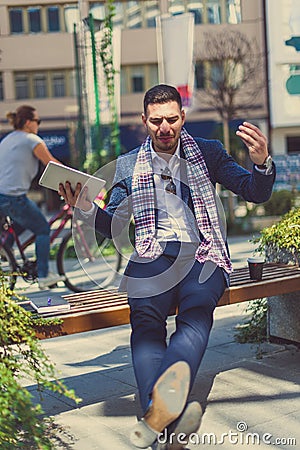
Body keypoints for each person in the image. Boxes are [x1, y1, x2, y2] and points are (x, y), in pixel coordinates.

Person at [59, 84, 275, 450]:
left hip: (202, 253)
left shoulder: (208, 153)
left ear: (182, 118)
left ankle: (156, 413)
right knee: (145, 321)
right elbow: (113, 224)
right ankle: (162, 411)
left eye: (172, 119)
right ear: (145, 121)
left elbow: (254, 191)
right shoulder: (128, 165)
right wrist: (84, 208)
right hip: (151, 252)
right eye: (156, 120)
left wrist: (261, 163)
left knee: (196, 311)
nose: (165, 127)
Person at [0, 105, 65, 289]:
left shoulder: (8, 139)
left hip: (2, 196)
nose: (38, 125)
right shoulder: (31, 139)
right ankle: (44, 276)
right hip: (14, 198)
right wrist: (77, 180)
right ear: (28, 122)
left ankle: (5, 249)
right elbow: (52, 164)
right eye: (38, 121)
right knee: (43, 228)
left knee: (23, 222)